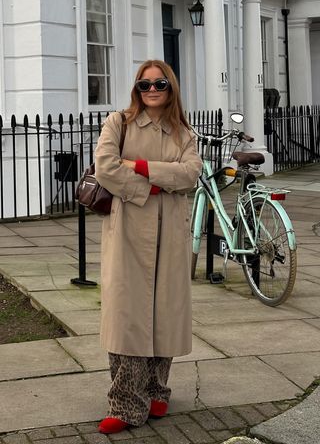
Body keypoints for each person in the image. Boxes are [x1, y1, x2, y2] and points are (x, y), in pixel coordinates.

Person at [95, 59, 202, 434]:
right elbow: (106, 166)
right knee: (127, 316)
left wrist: (139, 165)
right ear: (136, 88)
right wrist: (153, 184)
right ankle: (125, 404)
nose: (152, 90)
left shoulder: (182, 132)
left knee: (164, 313)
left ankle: (158, 391)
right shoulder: (118, 122)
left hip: (171, 231)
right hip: (127, 231)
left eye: (160, 84)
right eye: (145, 84)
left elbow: (191, 173)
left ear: (171, 88)